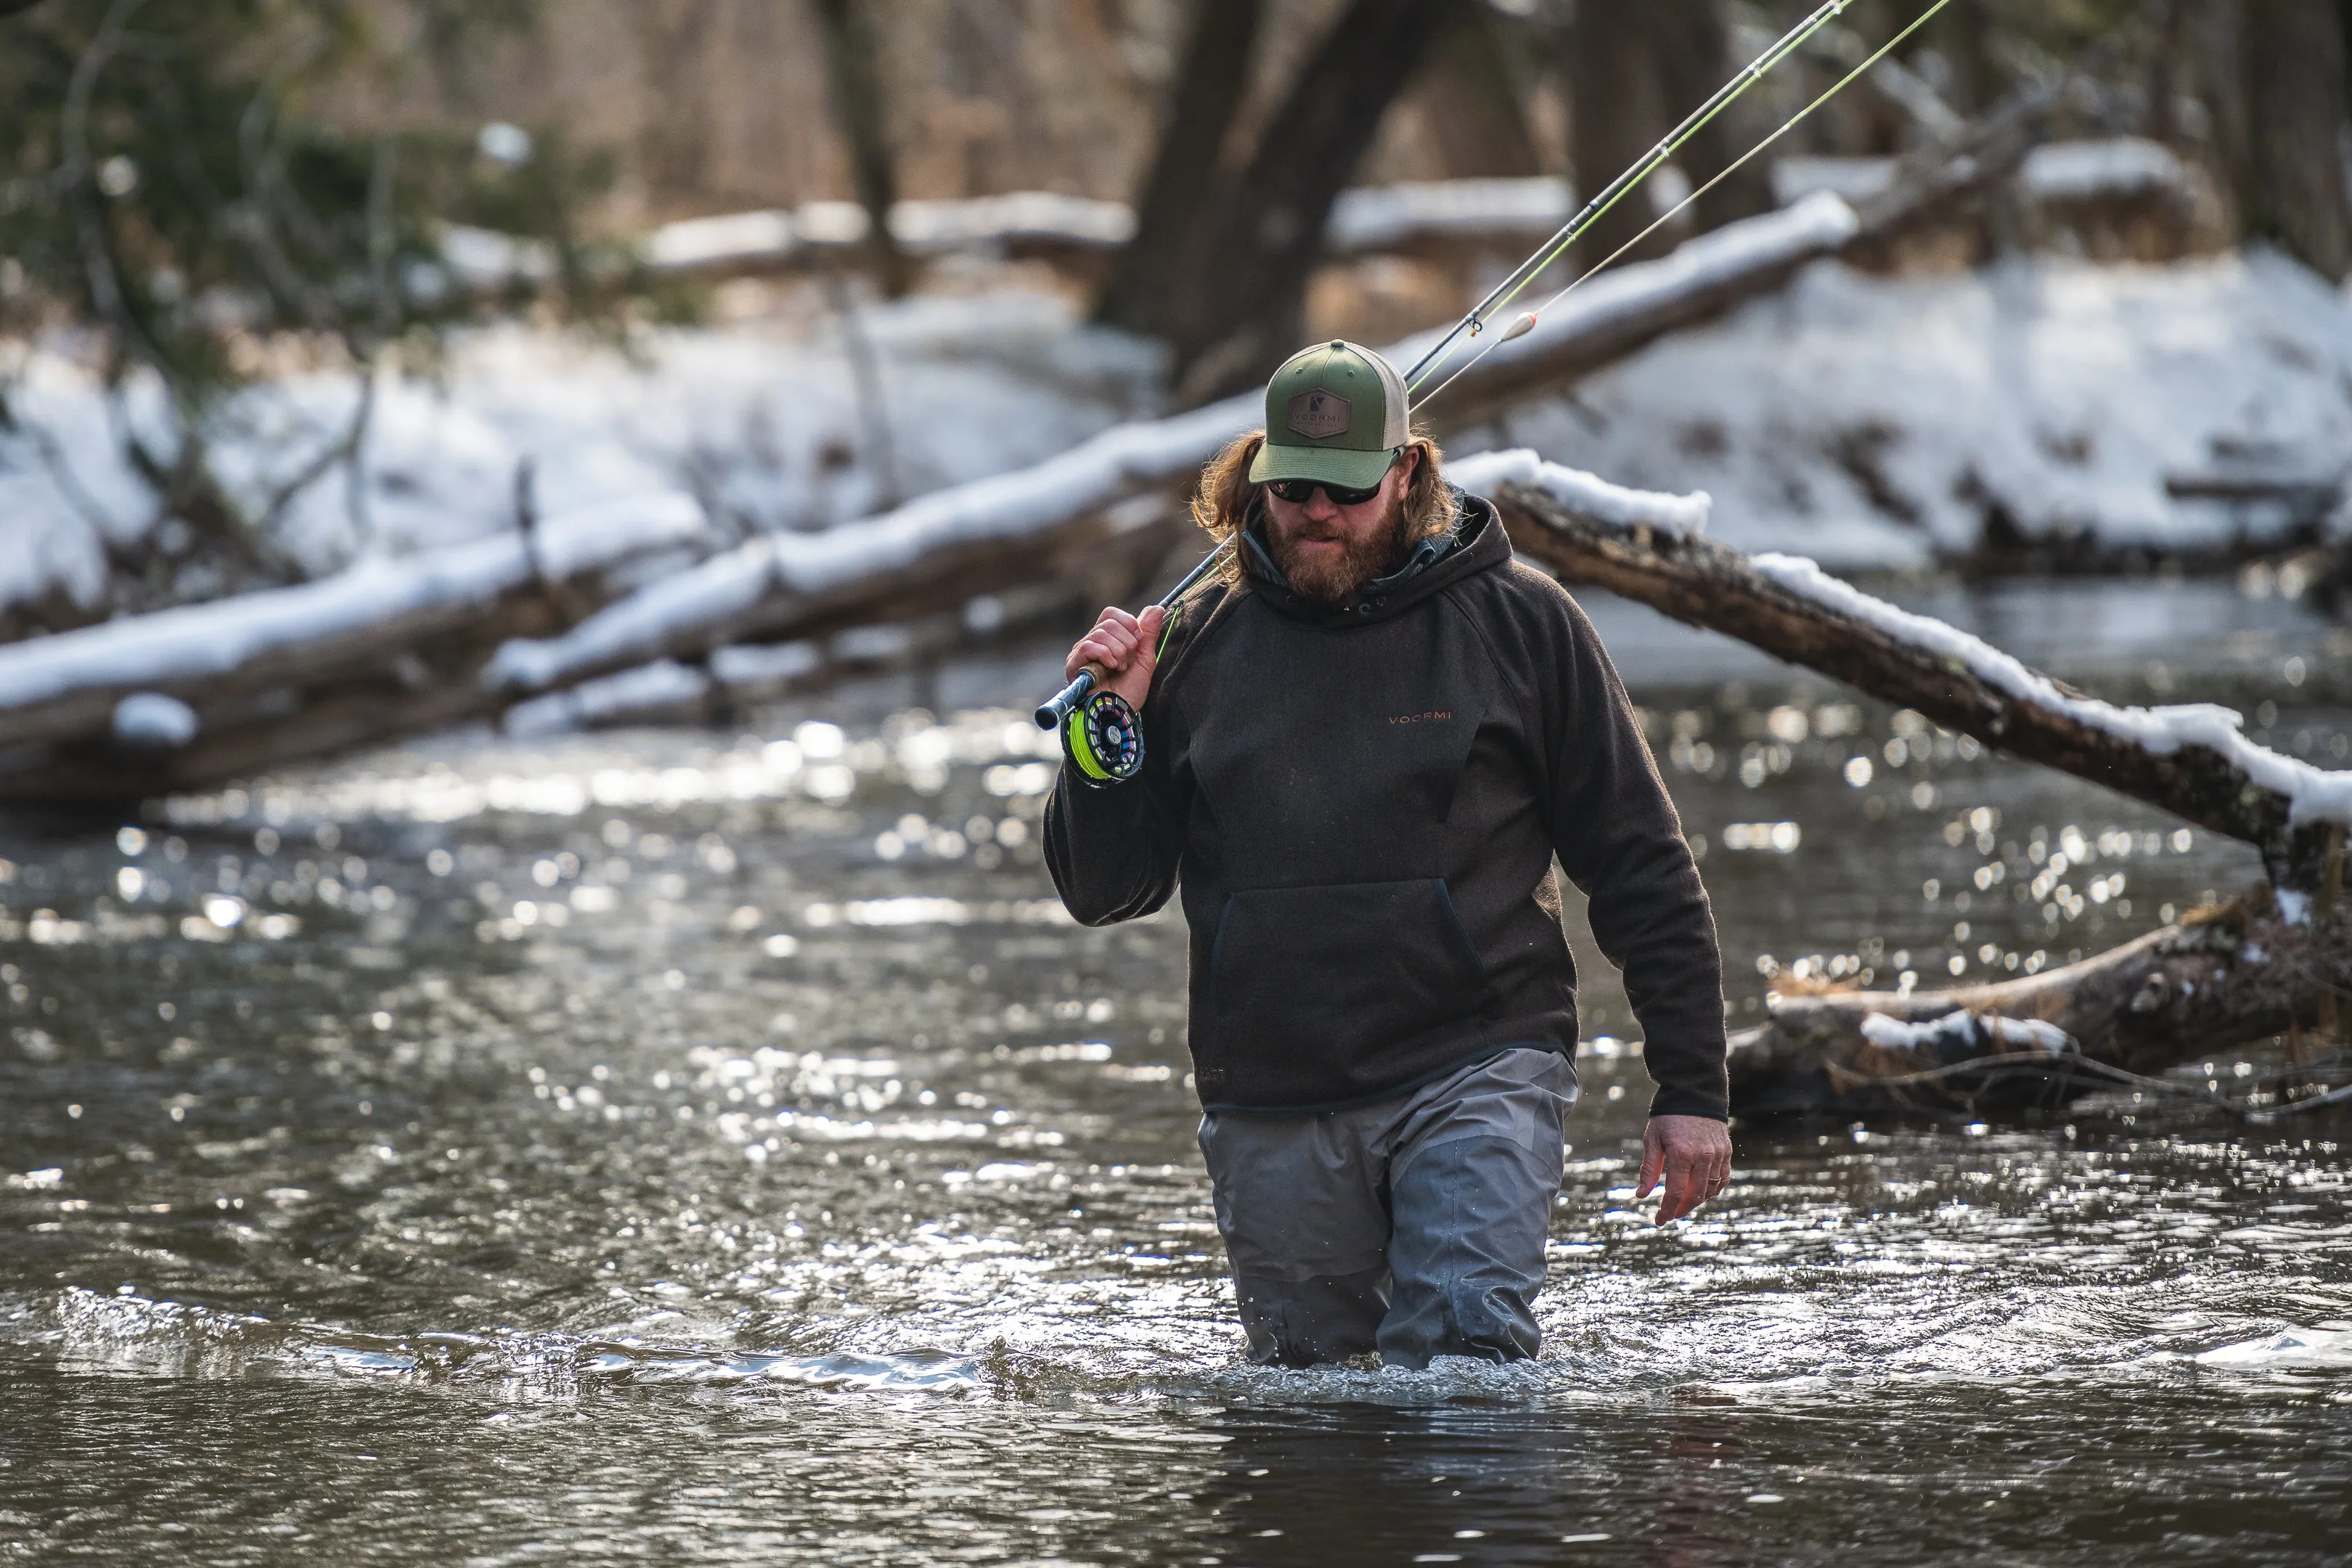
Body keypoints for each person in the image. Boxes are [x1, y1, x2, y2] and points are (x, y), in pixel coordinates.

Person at [1043, 339, 1731, 1369]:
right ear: (1257, 478)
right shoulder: (1188, 644)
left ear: (1408, 473)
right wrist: (1109, 733)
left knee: (1463, 1369)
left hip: (1480, 1066)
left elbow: (1642, 865)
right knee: (1311, 1401)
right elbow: (1106, 891)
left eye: (1348, 489)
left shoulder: (1523, 623)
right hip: (1270, 1087)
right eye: (1294, 488)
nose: (1318, 511)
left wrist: (1691, 1091)